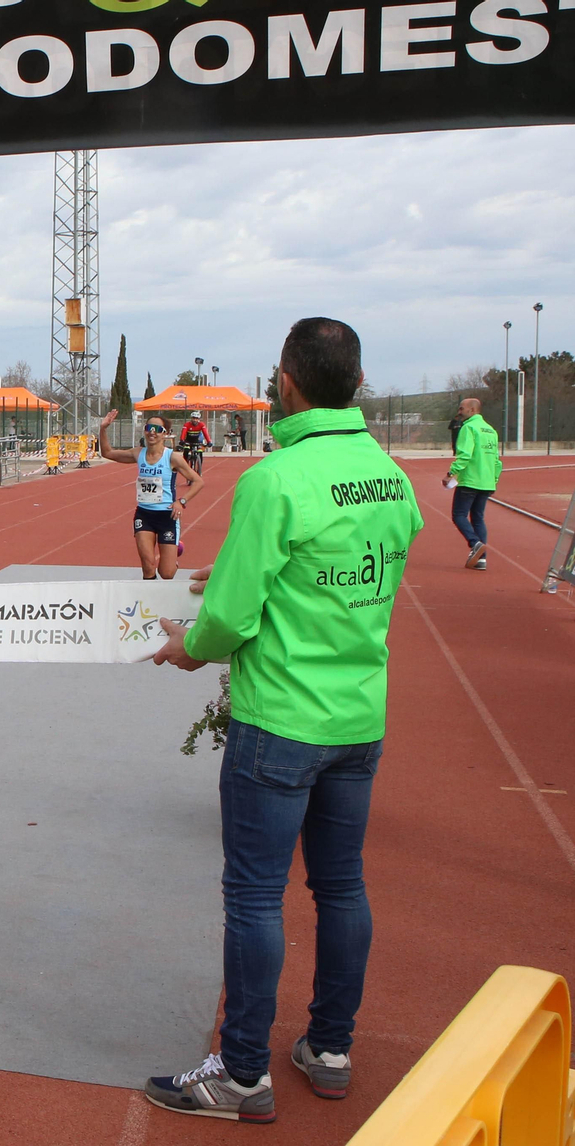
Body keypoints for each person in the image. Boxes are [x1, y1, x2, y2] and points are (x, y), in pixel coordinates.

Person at [144, 318, 424, 1125]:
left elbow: (229, 622)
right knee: (341, 886)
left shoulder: (278, 478)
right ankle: (329, 1048)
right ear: (358, 385)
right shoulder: (388, 473)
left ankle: (239, 1075)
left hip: (281, 721)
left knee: (256, 896)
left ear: (287, 384)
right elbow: (370, 563)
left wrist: (186, 646)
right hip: (358, 718)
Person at [98, 410, 204, 578]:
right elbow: (107, 453)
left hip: (167, 516)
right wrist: (103, 429)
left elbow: (198, 481)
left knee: (166, 573)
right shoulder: (138, 453)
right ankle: (149, 603)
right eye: (149, 427)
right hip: (144, 514)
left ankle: (174, 553)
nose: (152, 432)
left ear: (165, 434)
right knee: (148, 566)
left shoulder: (172, 457)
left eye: (157, 428)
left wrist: (181, 501)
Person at [446, 396, 501, 570]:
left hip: (470, 481)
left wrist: (451, 473)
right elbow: (497, 461)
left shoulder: (468, 428)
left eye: (462, 409)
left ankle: (475, 543)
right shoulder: (491, 430)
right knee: (478, 518)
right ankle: (481, 559)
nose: (459, 412)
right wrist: (494, 480)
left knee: (459, 515)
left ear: (472, 410)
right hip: (486, 482)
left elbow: (464, 455)